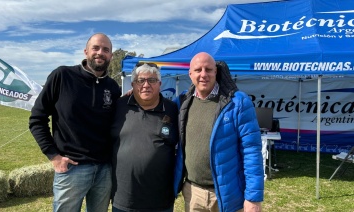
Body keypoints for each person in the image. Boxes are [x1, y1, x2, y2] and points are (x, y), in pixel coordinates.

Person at [29, 33, 121, 212]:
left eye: (106, 50)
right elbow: (37, 119)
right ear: (86, 51)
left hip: (104, 169)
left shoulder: (112, 87)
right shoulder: (62, 76)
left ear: (111, 55)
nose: (100, 53)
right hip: (71, 169)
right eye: (95, 48)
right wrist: (54, 156)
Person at [173, 52, 264, 212]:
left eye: (208, 69)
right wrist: (132, 95)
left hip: (228, 195)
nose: (203, 74)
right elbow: (155, 105)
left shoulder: (238, 102)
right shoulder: (182, 102)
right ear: (190, 74)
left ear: (216, 71)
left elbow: (252, 152)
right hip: (193, 193)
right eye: (198, 70)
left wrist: (253, 198)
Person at [110, 63, 179, 212]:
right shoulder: (118, 106)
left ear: (160, 84)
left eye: (152, 80)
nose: (146, 85)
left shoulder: (173, 109)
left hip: (160, 201)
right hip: (123, 199)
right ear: (133, 84)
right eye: (141, 80)